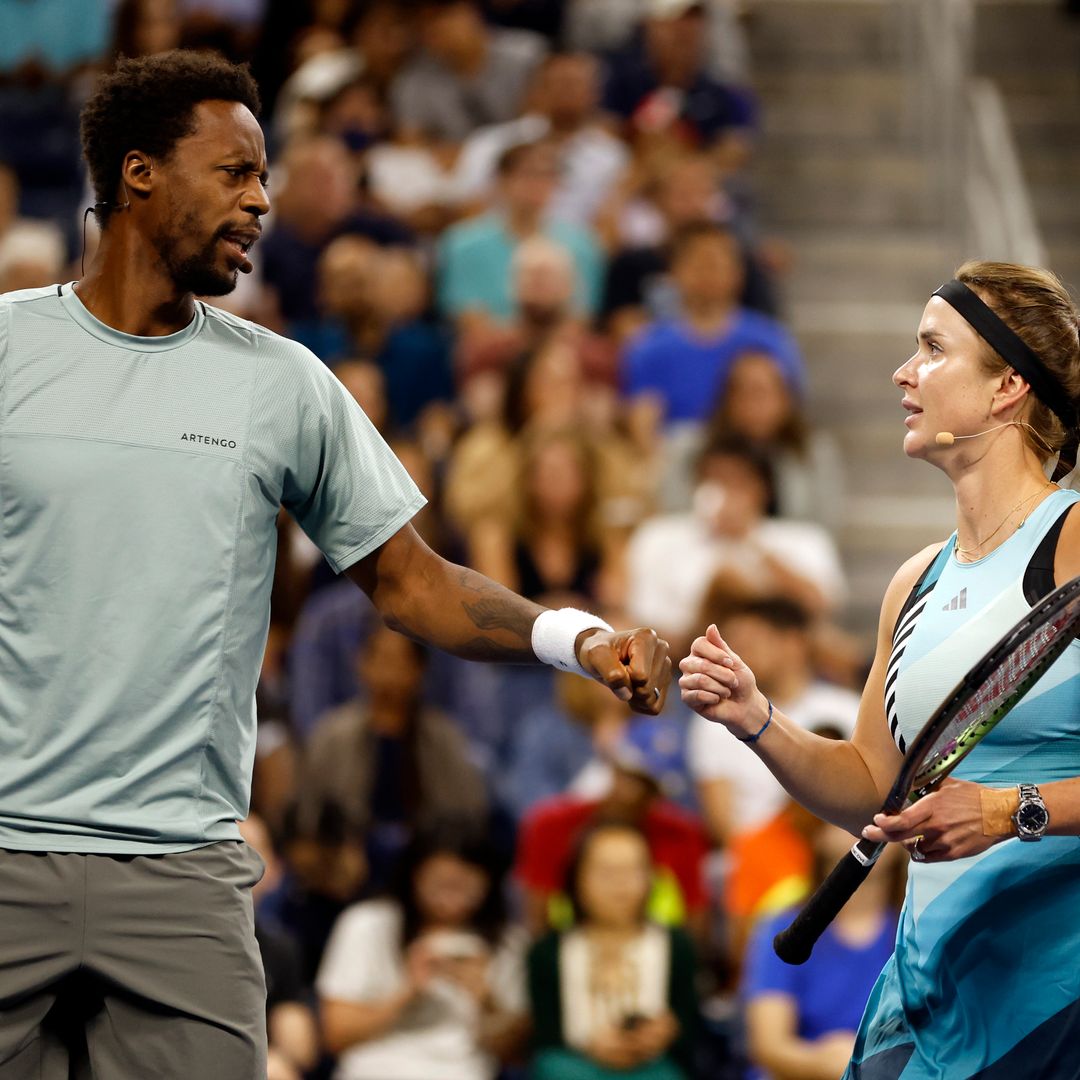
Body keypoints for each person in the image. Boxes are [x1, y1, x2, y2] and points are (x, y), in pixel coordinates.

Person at [0, 50, 670, 1077]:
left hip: (184, 874)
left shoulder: (284, 385)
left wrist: (577, 638)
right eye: (234, 172)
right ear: (139, 175)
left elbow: (417, 585)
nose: (261, 200)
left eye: (264, 176)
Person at [679, 261, 1080, 1077]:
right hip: (930, 993)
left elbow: (999, 807)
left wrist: (1012, 810)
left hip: (1057, 998)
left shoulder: (1075, 544)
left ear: (1008, 385)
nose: (904, 373)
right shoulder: (915, 582)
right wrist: (759, 720)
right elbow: (871, 783)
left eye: (932, 349)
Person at [318, 826, 529, 1080]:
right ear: (414, 876)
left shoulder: (510, 942)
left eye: (464, 885)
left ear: (487, 883)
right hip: (373, 1069)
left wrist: (487, 1002)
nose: (451, 897)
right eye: (440, 883)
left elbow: (516, 1053)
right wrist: (408, 991)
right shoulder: (367, 923)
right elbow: (336, 1035)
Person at [526, 820, 699, 1080]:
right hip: (573, 1068)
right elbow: (542, 1036)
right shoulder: (547, 952)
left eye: (633, 871)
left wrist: (667, 1030)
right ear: (577, 878)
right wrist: (591, 1044)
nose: (621, 885)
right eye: (607, 873)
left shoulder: (676, 945)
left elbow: (691, 1028)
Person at [741, 822, 903, 1080]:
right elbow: (768, 1045)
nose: (868, 827)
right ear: (818, 834)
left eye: (880, 816)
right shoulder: (783, 927)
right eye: (850, 817)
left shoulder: (915, 931)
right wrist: (826, 1063)